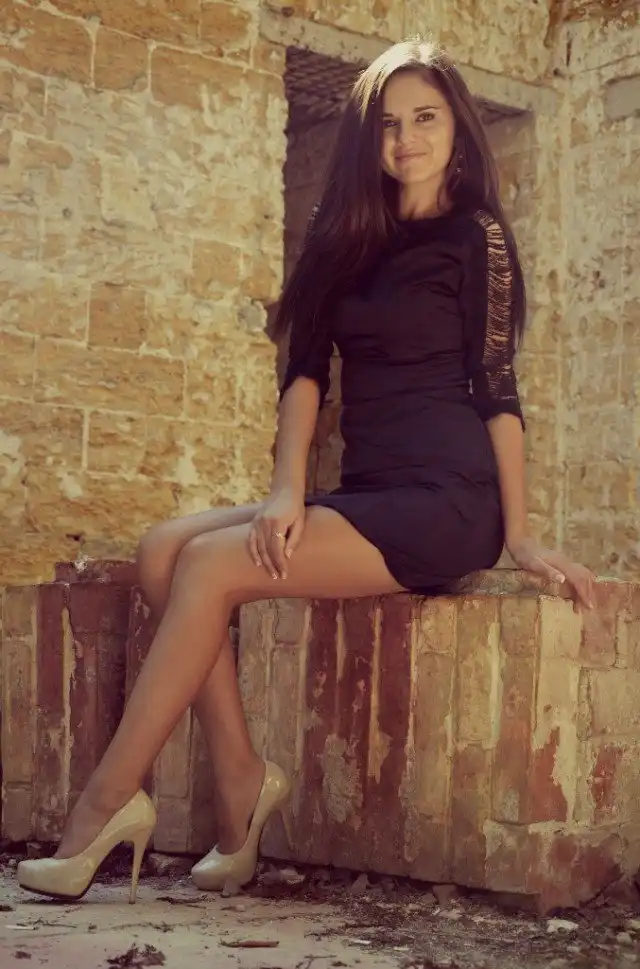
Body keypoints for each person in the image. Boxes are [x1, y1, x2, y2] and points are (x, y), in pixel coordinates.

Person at [18, 38, 596, 904]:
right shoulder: (344, 235)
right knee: (163, 549)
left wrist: (520, 533)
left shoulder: (477, 236)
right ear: (369, 137)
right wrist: (285, 490)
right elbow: (305, 377)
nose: (406, 139)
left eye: (425, 119)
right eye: (389, 124)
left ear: (457, 131)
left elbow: (497, 388)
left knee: (210, 565)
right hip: (366, 490)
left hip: (446, 498)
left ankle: (104, 805)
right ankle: (243, 781)